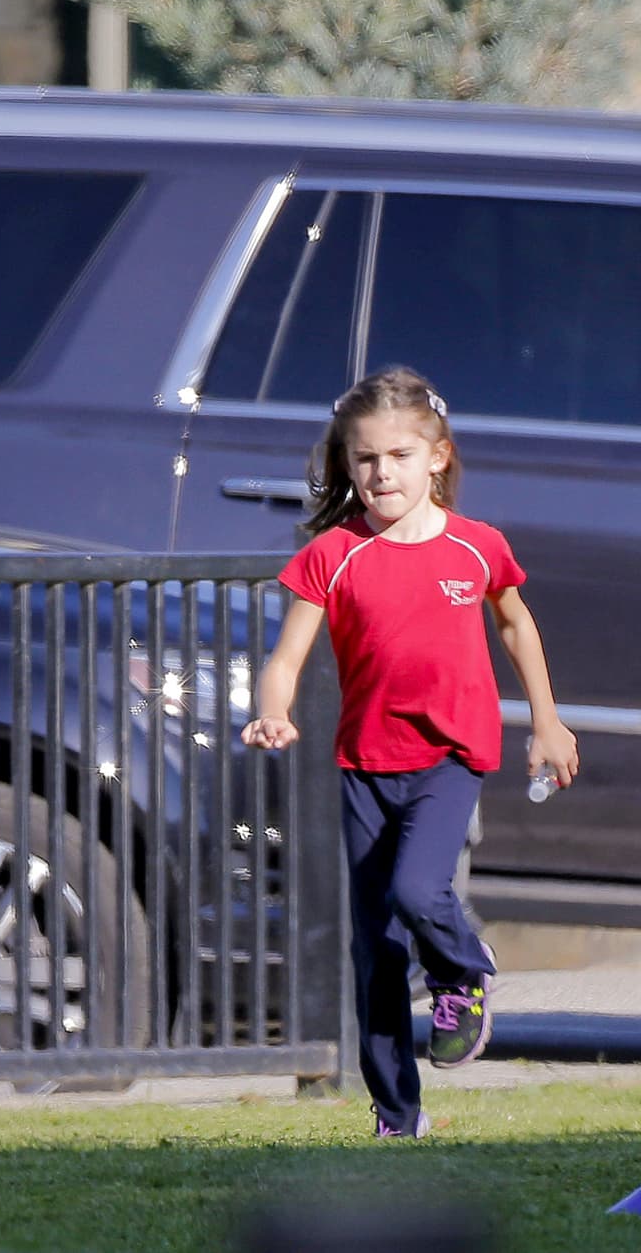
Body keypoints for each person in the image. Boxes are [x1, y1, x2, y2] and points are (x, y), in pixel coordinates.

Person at [241, 366, 578, 1139]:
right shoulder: (333, 553)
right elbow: (286, 658)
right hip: (365, 765)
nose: (381, 472)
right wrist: (272, 711)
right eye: (364, 458)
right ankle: (397, 1115)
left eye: (398, 455)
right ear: (346, 463)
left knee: (418, 892)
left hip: (449, 758)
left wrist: (548, 722)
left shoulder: (477, 547)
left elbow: (516, 623)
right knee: (377, 949)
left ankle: (463, 969)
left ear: (438, 457)